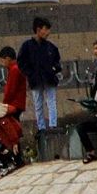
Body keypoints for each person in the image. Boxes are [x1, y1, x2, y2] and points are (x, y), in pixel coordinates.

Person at [16, 16, 64, 147]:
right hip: (36, 79)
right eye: (45, 29)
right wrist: (30, 73)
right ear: (38, 30)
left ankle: (53, 125)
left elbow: (57, 62)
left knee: (51, 101)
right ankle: (42, 127)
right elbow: (21, 62)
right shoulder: (27, 46)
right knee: (38, 104)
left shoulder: (51, 47)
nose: (47, 32)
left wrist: (54, 69)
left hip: (49, 78)